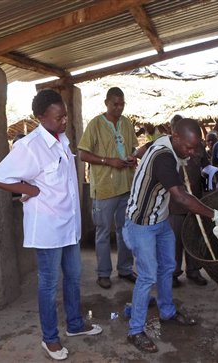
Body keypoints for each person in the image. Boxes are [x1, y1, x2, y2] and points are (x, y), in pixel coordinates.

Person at [0, 89, 102, 361]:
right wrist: (29, 188)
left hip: (69, 225)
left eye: (65, 116)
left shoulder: (61, 140)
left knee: (74, 277)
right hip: (48, 227)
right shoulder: (29, 147)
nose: (64, 122)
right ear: (41, 117)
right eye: (58, 118)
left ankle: (75, 324)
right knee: (49, 285)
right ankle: (49, 338)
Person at [124, 118, 218, 353]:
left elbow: (145, 149)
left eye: (196, 147)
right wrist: (214, 215)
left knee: (168, 267)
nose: (192, 153)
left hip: (160, 219)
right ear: (175, 139)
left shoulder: (167, 141)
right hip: (142, 223)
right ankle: (135, 330)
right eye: (189, 148)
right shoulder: (163, 157)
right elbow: (181, 197)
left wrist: (136, 153)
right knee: (147, 275)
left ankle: (167, 312)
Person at [78, 87, 138, 289]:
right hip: (104, 188)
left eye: (122, 104)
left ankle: (125, 269)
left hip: (126, 186)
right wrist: (108, 161)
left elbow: (132, 148)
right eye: (115, 103)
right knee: (103, 232)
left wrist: (131, 158)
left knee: (125, 231)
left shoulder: (127, 123)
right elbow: (83, 154)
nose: (119, 107)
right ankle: (103, 273)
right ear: (106, 102)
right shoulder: (95, 124)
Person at [168, 115, 208, 287]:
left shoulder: (198, 146)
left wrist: (209, 172)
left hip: (195, 200)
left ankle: (194, 270)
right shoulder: (168, 149)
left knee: (193, 238)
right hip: (175, 204)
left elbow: (206, 165)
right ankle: (174, 273)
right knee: (175, 240)